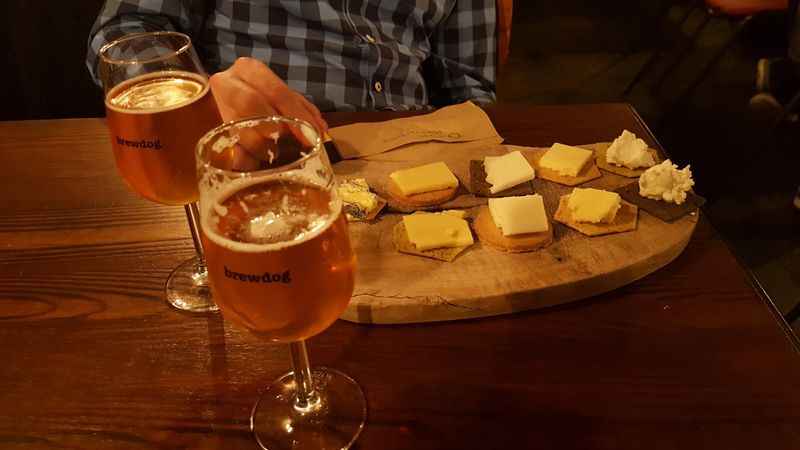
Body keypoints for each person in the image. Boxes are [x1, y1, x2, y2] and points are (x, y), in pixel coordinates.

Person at [86, 0, 498, 132]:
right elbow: (123, 33)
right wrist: (194, 102)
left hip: (412, 160)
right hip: (250, 153)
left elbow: (470, 88)